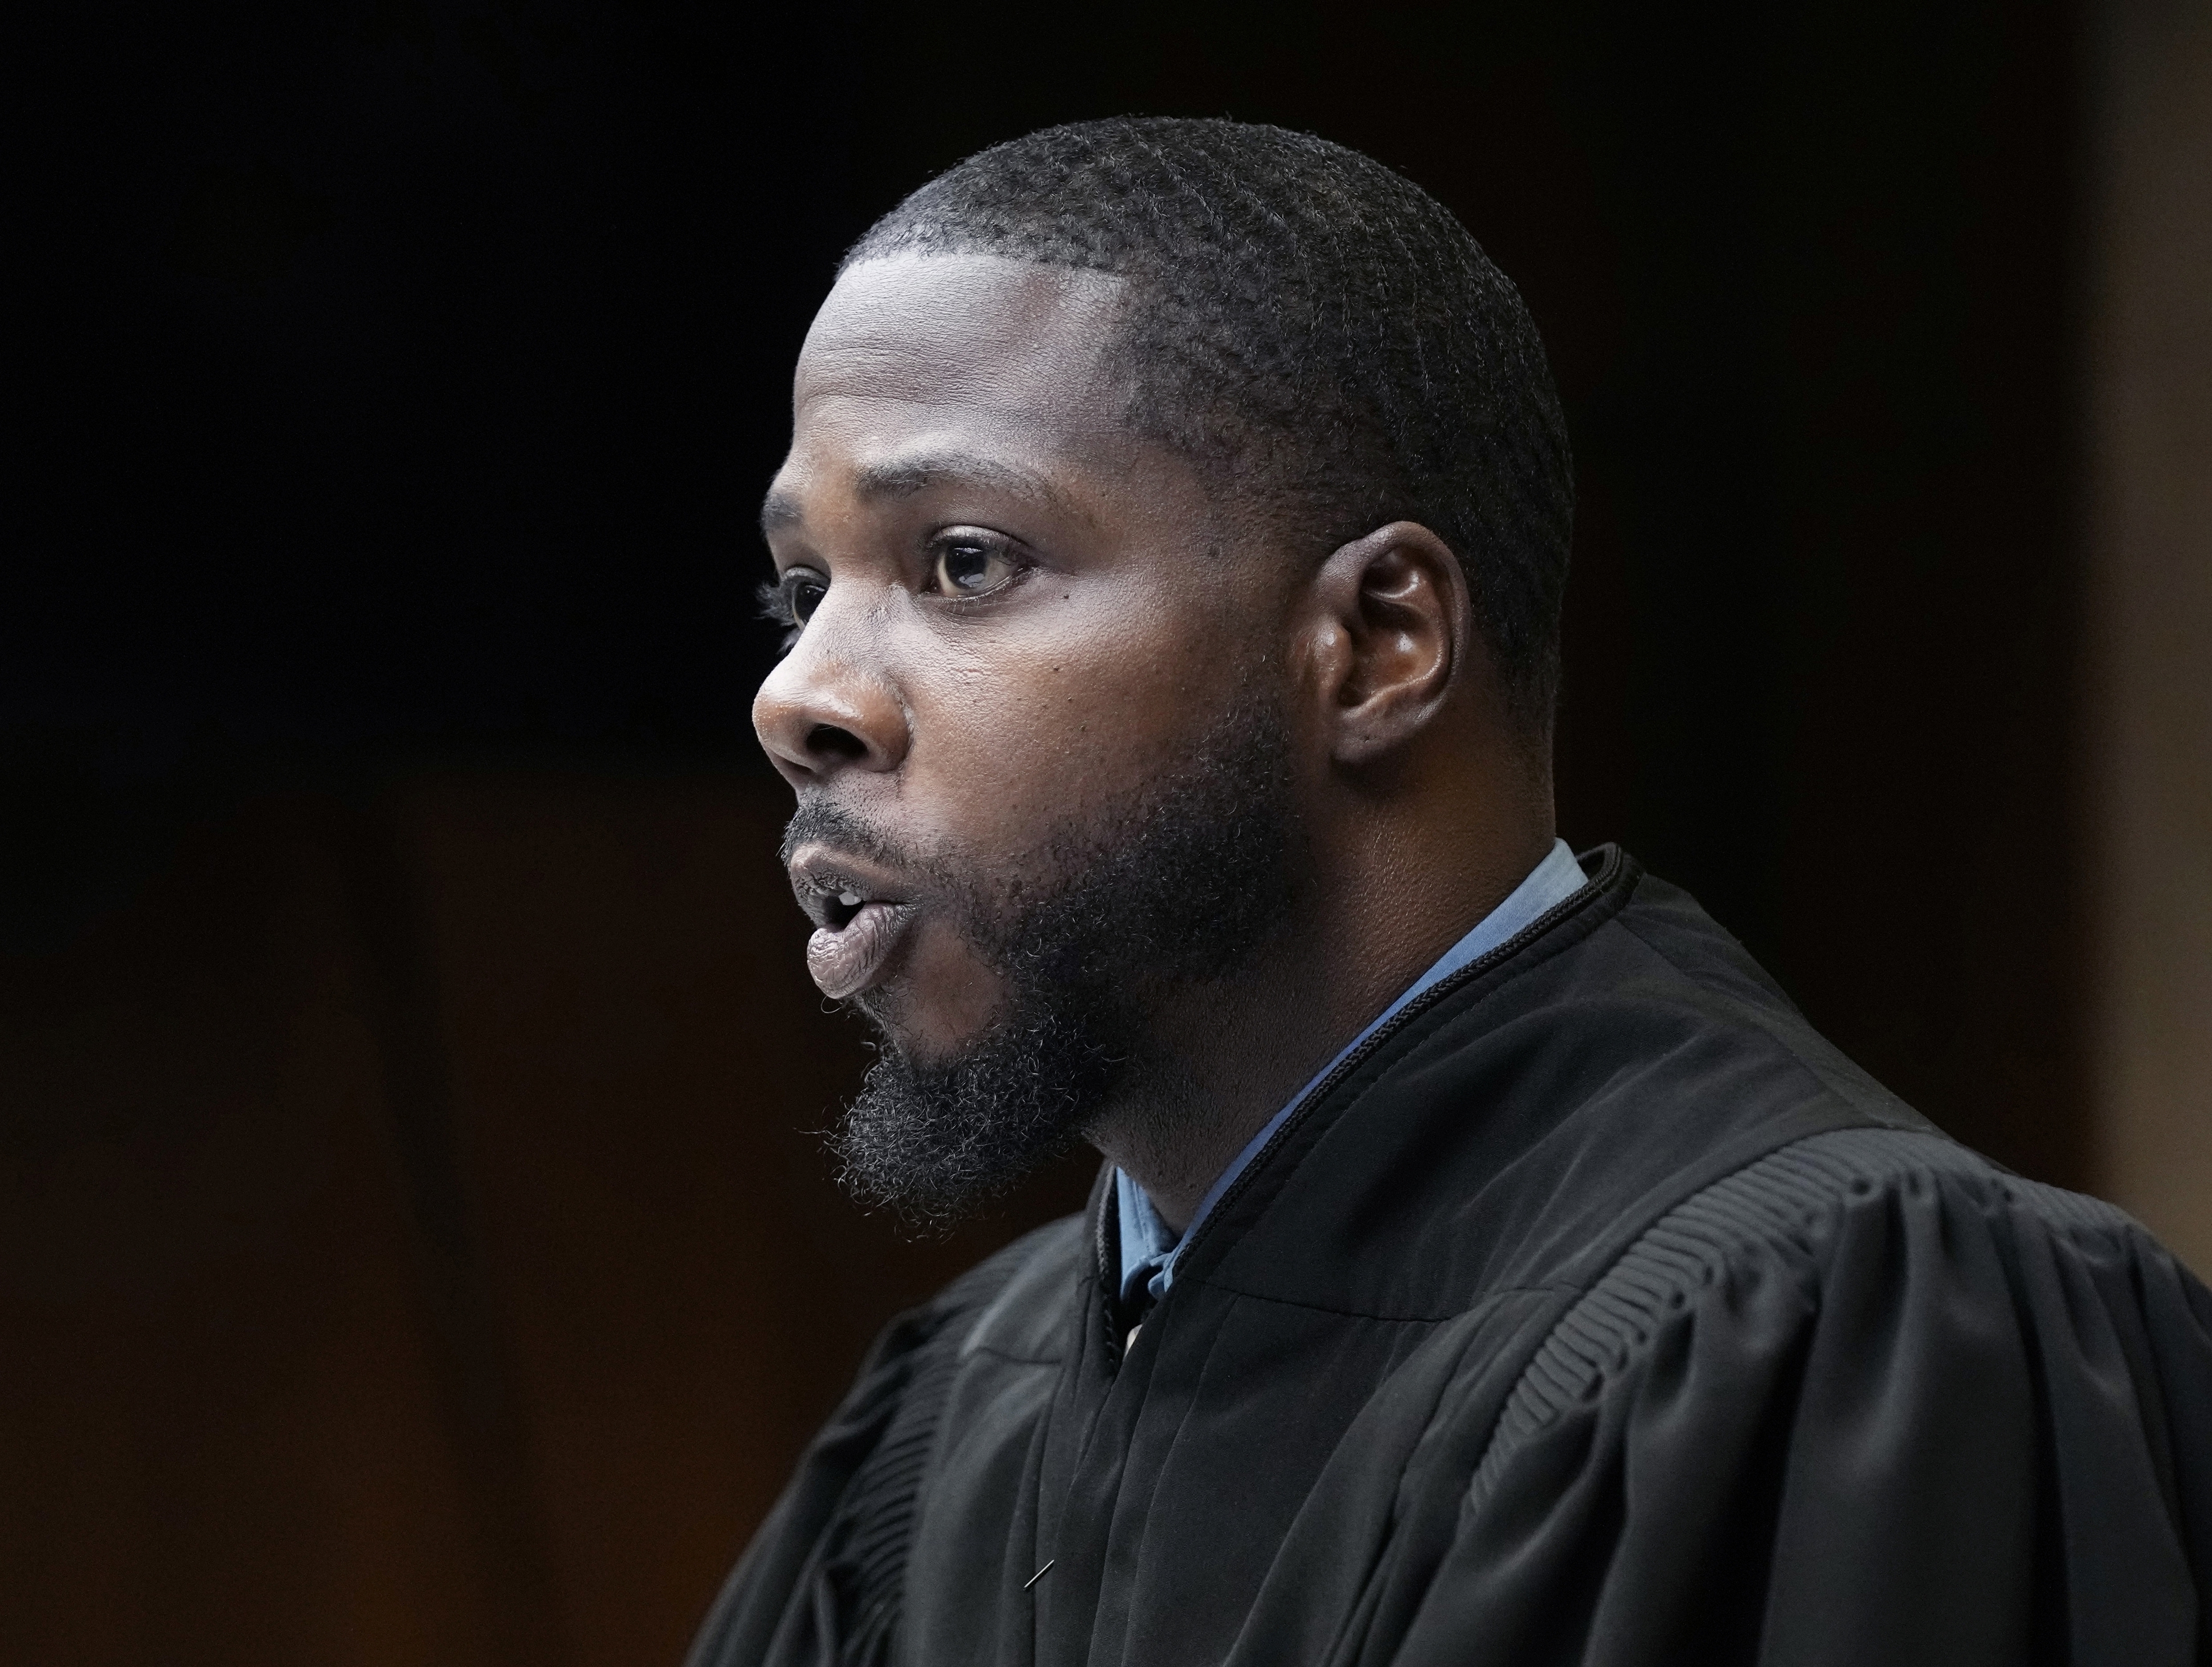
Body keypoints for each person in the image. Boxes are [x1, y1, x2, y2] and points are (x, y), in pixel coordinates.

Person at [692, 117, 2212, 1667]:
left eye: (962, 563)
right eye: (801, 590)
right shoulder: (952, 1425)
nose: (796, 694)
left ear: (1377, 644)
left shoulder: (1845, 1342)